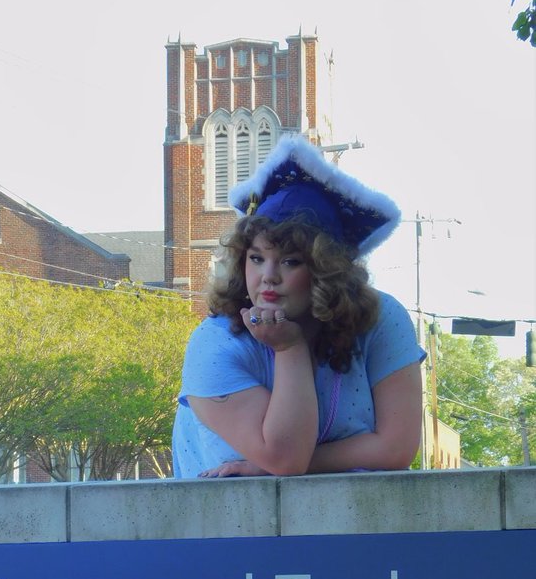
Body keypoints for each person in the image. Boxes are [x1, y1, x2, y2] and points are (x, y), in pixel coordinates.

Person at [172, 134, 425, 479]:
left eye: (291, 262)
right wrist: (289, 346)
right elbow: (285, 457)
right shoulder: (214, 343)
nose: (268, 277)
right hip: (226, 527)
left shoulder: (381, 320)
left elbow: (396, 448)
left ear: (326, 270)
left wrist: (261, 468)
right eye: (257, 258)